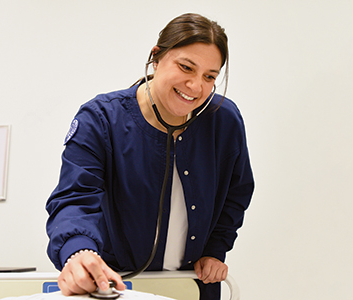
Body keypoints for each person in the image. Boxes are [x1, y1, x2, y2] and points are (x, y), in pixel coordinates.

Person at [45, 13, 254, 300]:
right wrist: (78, 249)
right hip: (117, 285)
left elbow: (237, 192)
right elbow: (75, 196)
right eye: (186, 67)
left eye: (209, 77)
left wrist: (214, 250)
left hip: (193, 285)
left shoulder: (224, 120)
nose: (195, 86)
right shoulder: (101, 119)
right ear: (156, 58)